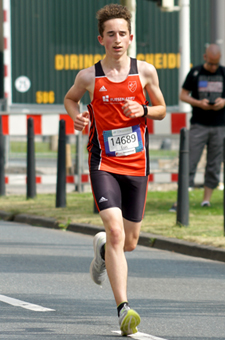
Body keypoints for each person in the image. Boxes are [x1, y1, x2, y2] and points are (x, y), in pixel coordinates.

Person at [64, 3, 166, 335]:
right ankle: (124, 310)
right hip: (103, 162)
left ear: (131, 37)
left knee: (130, 242)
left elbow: (163, 109)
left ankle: (101, 250)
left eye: (122, 33)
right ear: (101, 39)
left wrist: (145, 109)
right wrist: (76, 115)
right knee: (116, 232)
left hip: (136, 164)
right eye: (111, 34)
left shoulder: (146, 71)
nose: (117, 39)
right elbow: (70, 98)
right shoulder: (89, 76)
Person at [180, 44, 225, 207]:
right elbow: (183, 95)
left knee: (214, 163)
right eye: (211, 63)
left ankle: (206, 200)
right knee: (189, 161)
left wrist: (223, 102)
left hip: (220, 125)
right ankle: (181, 201)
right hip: (199, 125)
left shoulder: (223, 72)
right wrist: (199, 103)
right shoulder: (195, 72)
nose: (214, 67)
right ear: (205, 57)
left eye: (216, 63)